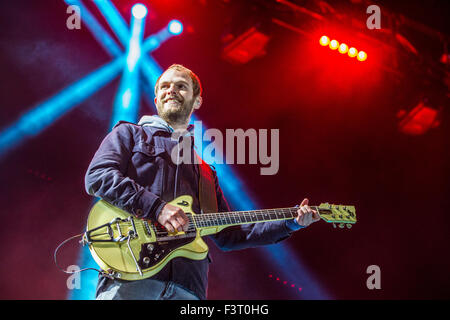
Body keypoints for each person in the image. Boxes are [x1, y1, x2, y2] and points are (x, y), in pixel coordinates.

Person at [84, 64, 320, 300]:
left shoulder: (206, 172)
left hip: (188, 287)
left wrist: (290, 223)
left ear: (197, 101)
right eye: (165, 86)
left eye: (181, 86)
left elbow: (229, 235)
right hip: (131, 273)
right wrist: (157, 208)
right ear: (156, 99)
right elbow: (98, 176)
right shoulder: (129, 134)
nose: (171, 90)